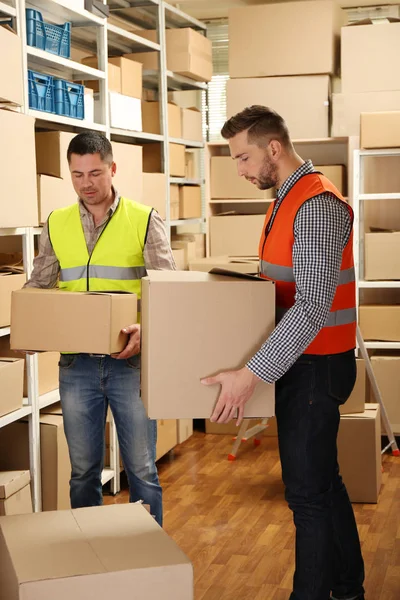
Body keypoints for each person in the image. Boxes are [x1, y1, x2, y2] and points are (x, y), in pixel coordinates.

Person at [202, 106, 365, 600]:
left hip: (316, 367)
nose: (241, 169)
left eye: (243, 157)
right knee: (323, 485)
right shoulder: (285, 198)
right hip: (305, 362)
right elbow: (286, 283)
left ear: (274, 148)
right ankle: (347, 586)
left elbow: (313, 306)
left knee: (307, 497)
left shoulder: (315, 204)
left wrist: (252, 372)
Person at [25, 131, 176, 526]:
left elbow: (169, 293)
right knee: (82, 473)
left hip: (131, 364)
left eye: (95, 172)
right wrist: (27, 326)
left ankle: (150, 560)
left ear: (113, 168)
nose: (86, 183)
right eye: (77, 174)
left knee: (142, 470)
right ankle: (90, 556)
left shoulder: (144, 219)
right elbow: (39, 285)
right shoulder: (56, 223)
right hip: (77, 368)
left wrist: (147, 328)